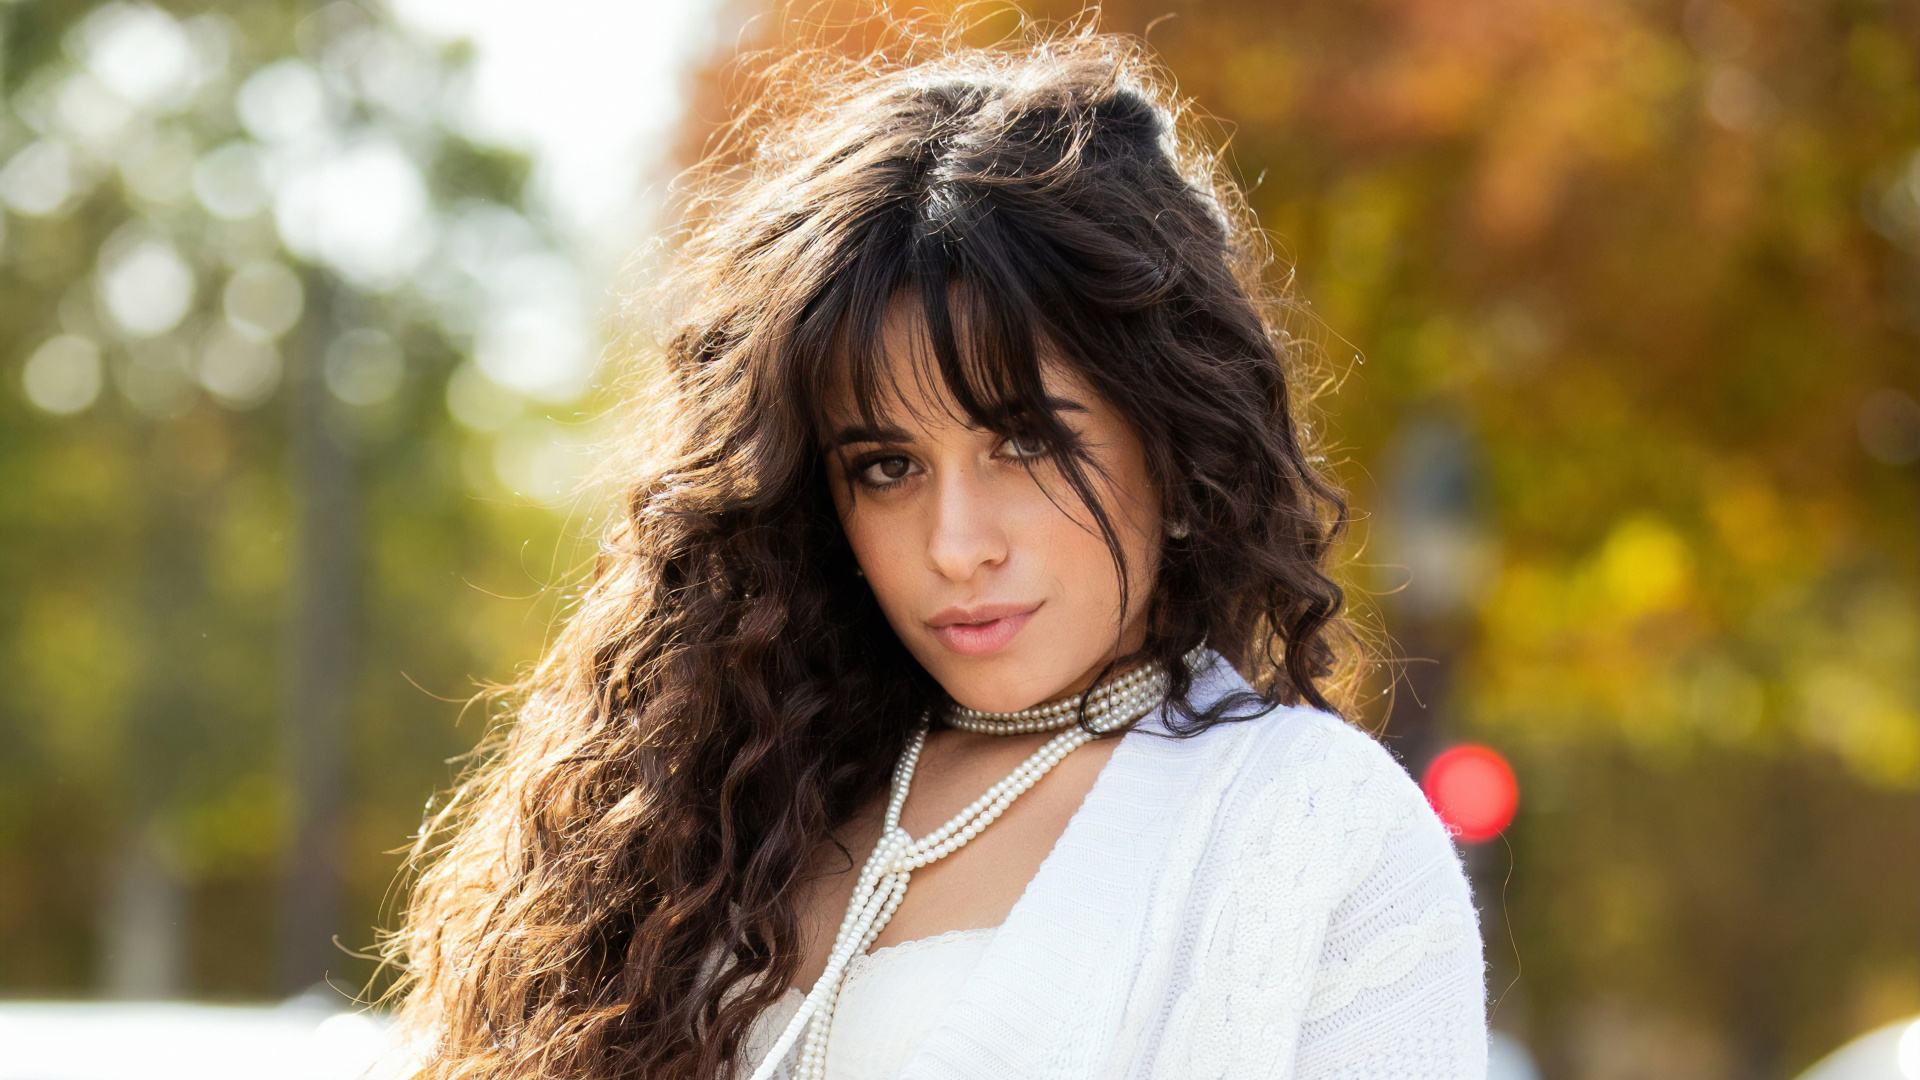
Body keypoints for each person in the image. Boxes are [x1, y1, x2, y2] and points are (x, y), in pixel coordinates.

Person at [386, 27, 1487, 1080]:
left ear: (1174, 444)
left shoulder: (1310, 829)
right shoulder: (735, 789)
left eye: (1025, 444)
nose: (956, 547)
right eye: (885, 466)